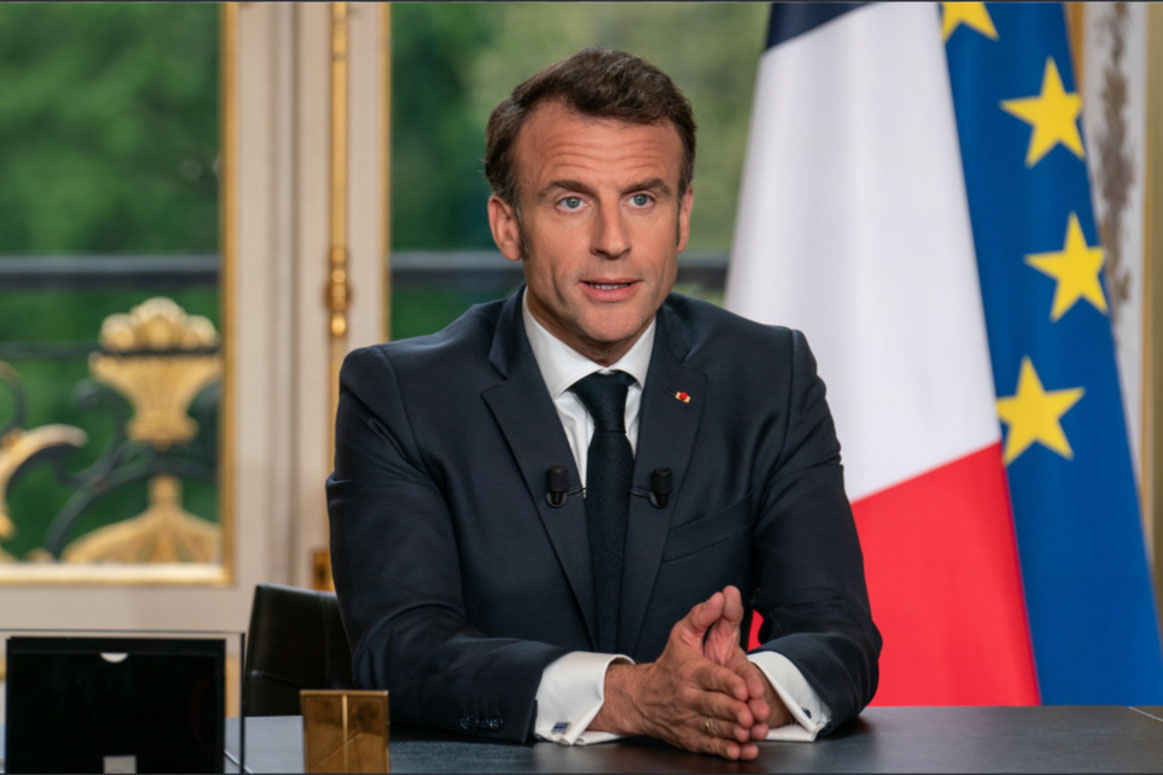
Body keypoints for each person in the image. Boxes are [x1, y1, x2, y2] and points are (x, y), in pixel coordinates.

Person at [327, 47, 880, 761]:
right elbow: (402, 648)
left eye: (641, 199)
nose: (612, 242)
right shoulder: (401, 396)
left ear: (680, 219)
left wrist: (743, 692)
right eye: (570, 200)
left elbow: (837, 633)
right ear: (507, 225)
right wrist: (630, 695)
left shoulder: (769, 375)